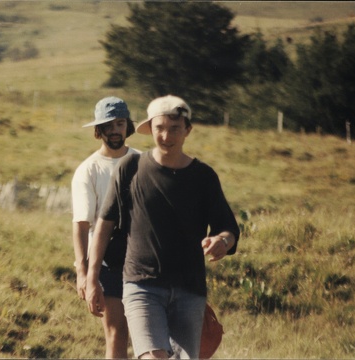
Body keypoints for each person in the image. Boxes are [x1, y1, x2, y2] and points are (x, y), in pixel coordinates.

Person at [86, 95, 240, 359]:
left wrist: (222, 242)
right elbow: (104, 224)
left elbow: (229, 228)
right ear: (150, 128)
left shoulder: (203, 176)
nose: (166, 135)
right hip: (141, 285)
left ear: (187, 130)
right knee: (153, 356)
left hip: (189, 289)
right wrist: (91, 277)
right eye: (160, 128)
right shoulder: (130, 168)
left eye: (175, 128)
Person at [71, 96, 141, 358]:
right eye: (108, 125)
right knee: (117, 333)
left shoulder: (143, 162)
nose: (114, 130)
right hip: (108, 261)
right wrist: (84, 273)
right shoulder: (88, 170)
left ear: (127, 126)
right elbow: (81, 224)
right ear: (98, 130)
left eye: (120, 123)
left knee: (152, 335)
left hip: (144, 258)